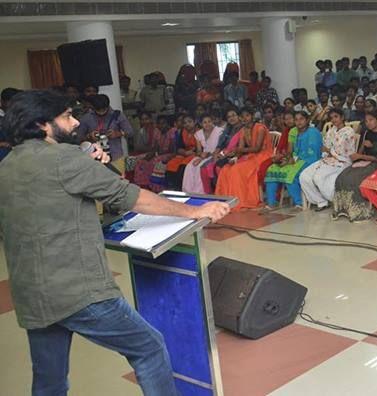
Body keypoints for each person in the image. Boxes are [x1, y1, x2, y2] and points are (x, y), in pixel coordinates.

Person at [0, 90, 230, 396]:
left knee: (49, 380)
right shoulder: (64, 158)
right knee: (148, 348)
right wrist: (196, 211)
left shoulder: (8, 165)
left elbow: (49, 191)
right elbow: (131, 197)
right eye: (67, 117)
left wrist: (87, 162)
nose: (73, 125)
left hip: (33, 294)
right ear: (43, 124)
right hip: (77, 291)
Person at [214, 107, 275, 210]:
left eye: (247, 115)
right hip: (250, 156)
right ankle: (227, 201)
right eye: (242, 116)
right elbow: (241, 149)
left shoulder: (260, 128)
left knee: (236, 170)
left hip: (263, 156)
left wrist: (239, 150)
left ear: (252, 116)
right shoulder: (243, 130)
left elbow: (257, 149)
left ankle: (242, 201)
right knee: (226, 169)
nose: (245, 118)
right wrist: (235, 157)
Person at [333, 112, 377, 222]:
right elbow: (359, 153)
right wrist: (363, 145)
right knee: (342, 177)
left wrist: (364, 154)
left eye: (371, 120)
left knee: (355, 180)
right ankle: (344, 208)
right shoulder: (366, 133)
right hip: (363, 162)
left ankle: (359, 210)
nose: (369, 123)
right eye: (366, 121)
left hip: (375, 164)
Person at [264, 111, 323, 209]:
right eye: (296, 120)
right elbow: (291, 151)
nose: (299, 122)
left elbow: (313, 152)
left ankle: (299, 202)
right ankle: (271, 202)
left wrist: (293, 160)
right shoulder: (294, 131)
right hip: (296, 159)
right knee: (272, 169)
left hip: (310, 160)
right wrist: (286, 159)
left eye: (301, 119)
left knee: (290, 173)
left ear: (307, 120)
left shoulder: (313, 132)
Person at [300, 108, 356, 209]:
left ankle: (334, 200)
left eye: (336, 117)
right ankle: (320, 201)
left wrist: (329, 151)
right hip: (328, 159)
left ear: (342, 117)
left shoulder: (349, 131)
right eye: (331, 118)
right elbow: (325, 146)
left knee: (318, 177)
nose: (334, 120)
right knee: (304, 175)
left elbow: (343, 151)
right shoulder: (331, 130)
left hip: (342, 161)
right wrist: (327, 152)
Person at [76, 94, 134, 173]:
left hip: (116, 157)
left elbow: (130, 132)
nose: (101, 113)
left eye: (103, 110)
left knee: (119, 181)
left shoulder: (117, 115)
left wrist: (118, 133)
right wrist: (89, 136)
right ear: (93, 107)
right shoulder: (86, 118)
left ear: (107, 106)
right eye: (98, 110)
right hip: (95, 160)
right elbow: (78, 138)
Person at [181, 115, 224, 194]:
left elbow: (220, 148)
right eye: (204, 122)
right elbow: (199, 150)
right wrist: (200, 157)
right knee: (190, 166)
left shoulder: (219, 131)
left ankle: (200, 192)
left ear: (212, 122)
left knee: (199, 168)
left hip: (215, 155)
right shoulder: (198, 133)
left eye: (209, 121)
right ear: (201, 124)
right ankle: (188, 191)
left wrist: (206, 156)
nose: (207, 124)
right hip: (203, 155)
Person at [163, 114, 199, 190]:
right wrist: (185, 152)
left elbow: (200, 148)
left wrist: (191, 152)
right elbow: (179, 148)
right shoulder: (182, 132)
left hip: (195, 154)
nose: (187, 124)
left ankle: (180, 189)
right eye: (185, 123)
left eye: (189, 122)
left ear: (195, 122)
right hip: (184, 154)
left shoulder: (199, 131)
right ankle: (171, 188)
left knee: (182, 167)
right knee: (171, 164)